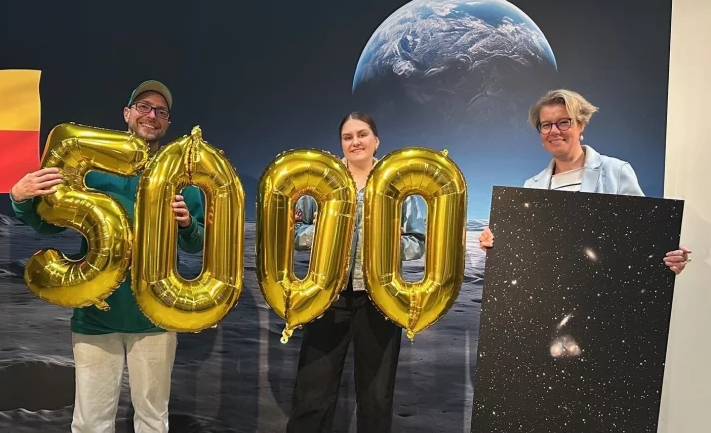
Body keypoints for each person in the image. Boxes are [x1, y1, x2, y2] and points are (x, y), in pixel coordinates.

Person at [9, 80, 205, 433]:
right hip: (96, 316)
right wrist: (20, 198)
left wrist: (188, 225)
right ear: (126, 114)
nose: (152, 116)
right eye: (143, 107)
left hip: (155, 318)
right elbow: (49, 226)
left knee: (152, 420)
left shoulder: (182, 177)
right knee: (90, 423)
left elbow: (196, 245)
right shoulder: (92, 172)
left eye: (161, 112)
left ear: (167, 124)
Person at [286, 112, 427, 433]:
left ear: (376, 140)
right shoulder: (322, 182)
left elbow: (417, 243)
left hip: (380, 301)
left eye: (362, 134)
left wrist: (378, 243)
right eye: (347, 137)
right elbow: (296, 234)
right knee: (311, 394)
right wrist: (329, 233)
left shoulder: (399, 184)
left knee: (376, 398)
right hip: (326, 299)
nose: (355, 142)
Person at [478, 88, 691, 274]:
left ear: (581, 126)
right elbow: (526, 252)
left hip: (603, 294)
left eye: (563, 122)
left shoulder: (616, 171)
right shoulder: (531, 187)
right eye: (546, 125)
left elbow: (643, 237)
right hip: (550, 296)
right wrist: (495, 244)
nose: (554, 131)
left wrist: (668, 255)